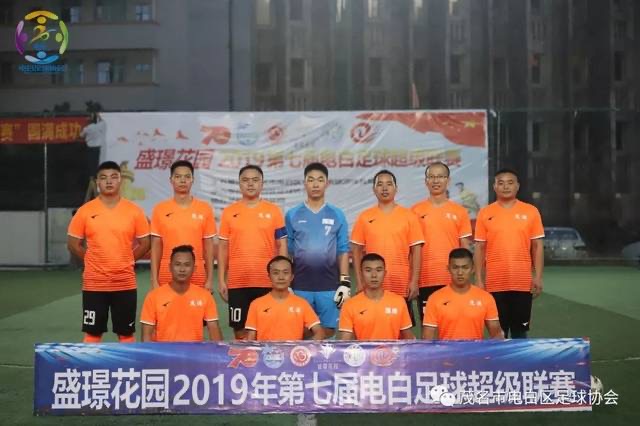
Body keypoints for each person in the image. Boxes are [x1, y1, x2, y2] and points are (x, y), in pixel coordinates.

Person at [67, 161, 150, 343]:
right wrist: (91, 261)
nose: (109, 181)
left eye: (114, 177)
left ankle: (127, 363)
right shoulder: (85, 211)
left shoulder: (134, 211)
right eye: (104, 178)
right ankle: (90, 362)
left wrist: (129, 260)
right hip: (94, 284)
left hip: (125, 283)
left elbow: (145, 243)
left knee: (126, 334)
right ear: (97, 182)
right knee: (92, 333)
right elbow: (73, 244)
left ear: (120, 180)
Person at [218, 165, 288, 339]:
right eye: (245, 180)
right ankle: (244, 357)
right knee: (240, 331)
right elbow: (223, 247)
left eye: (255, 180)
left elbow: (282, 245)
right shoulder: (229, 212)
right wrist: (221, 280)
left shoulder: (274, 211)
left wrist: (283, 275)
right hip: (238, 282)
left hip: (267, 281)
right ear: (239, 184)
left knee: (266, 329)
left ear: (262, 184)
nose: (250, 184)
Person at [474, 168, 545, 339]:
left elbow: (537, 246)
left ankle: (521, 358)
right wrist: (479, 280)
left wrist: (537, 277)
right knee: (498, 333)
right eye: (501, 183)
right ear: (494, 187)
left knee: (520, 332)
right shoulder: (485, 213)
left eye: (510, 183)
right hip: (494, 283)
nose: (505, 186)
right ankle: (499, 358)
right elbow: (479, 248)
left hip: (522, 282)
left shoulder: (531, 211)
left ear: (517, 186)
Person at [285, 162, 350, 338]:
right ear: (304, 183)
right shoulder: (292, 214)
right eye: (311, 180)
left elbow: (343, 250)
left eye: (320, 180)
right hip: (300, 285)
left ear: (327, 183)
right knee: (301, 330)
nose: (315, 184)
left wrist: (345, 283)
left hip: (329, 285)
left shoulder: (337, 214)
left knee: (328, 330)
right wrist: (287, 283)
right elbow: (287, 252)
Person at [351, 169, 424, 321]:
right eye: (380, 184)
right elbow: (356, 250)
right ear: (374, 190)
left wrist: (414, 281)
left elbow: (416, 250)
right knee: (373, 326)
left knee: (402, 330)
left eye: (389, 184)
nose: (384, 188)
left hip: (401, 284)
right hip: (372, 285)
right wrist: (360, 281)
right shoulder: (364, 217)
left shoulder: (409, 216)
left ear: (396, 189)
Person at [411, 162, 472, 322]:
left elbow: (465, 247)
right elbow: (412, 249)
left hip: (453, 279)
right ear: (426, 181)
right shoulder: (415, 211)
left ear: (448, 180)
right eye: (431, 177)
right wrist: (413, 280)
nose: (436, 180)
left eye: (440, 176)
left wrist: (466, 277)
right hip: (425, 279)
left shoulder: (460, 211)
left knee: (454, 325)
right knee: (428, 327)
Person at [150, 160, 216, 291]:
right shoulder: (160, 209)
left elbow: (208, 248)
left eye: (187, 176)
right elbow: (156, 247)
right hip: (167, 275)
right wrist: (154, 280)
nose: (182, 180)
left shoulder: (205, 209)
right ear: (171, 180)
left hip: (197, 275)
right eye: (178, 176)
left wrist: (209, 280)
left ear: (192, 180)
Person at [140, 245, 222, 342]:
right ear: (170, 267)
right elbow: (146, 335)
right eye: (177, 264)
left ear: (194, 269)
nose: (182, 269)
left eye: (187, 265)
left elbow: (214, 330)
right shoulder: (153, 297)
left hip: (194, 351)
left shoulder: (205, 296)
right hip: (164, 351)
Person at [422, 248, 503, 340]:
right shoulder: (434, 298)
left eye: (465, 267)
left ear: (472, 269)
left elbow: (497, 335)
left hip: (475, 350)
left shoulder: (486, 298)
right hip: (447, 350)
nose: (460, 273)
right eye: (455, 267)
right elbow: (427, 338)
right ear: (448, 269)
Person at [338, 253, 415, 340]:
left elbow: (409, 340)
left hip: (393, 349)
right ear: (361, 274)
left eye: (378, 270)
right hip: (364, 349)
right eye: (368, 270)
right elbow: (345, 343)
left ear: (385, 273)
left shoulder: (399, 302)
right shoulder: (349, 305)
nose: (374, 275)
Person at [245, 256, 323, 340]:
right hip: (265, 349)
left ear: (292, 277)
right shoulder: (256, 304)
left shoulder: (302, 304)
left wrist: (307, 346)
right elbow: (250, 337)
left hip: (293, 349)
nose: (281, 277)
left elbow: (319, 332)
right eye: (276, 273)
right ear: (269, 277)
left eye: (285, 272)